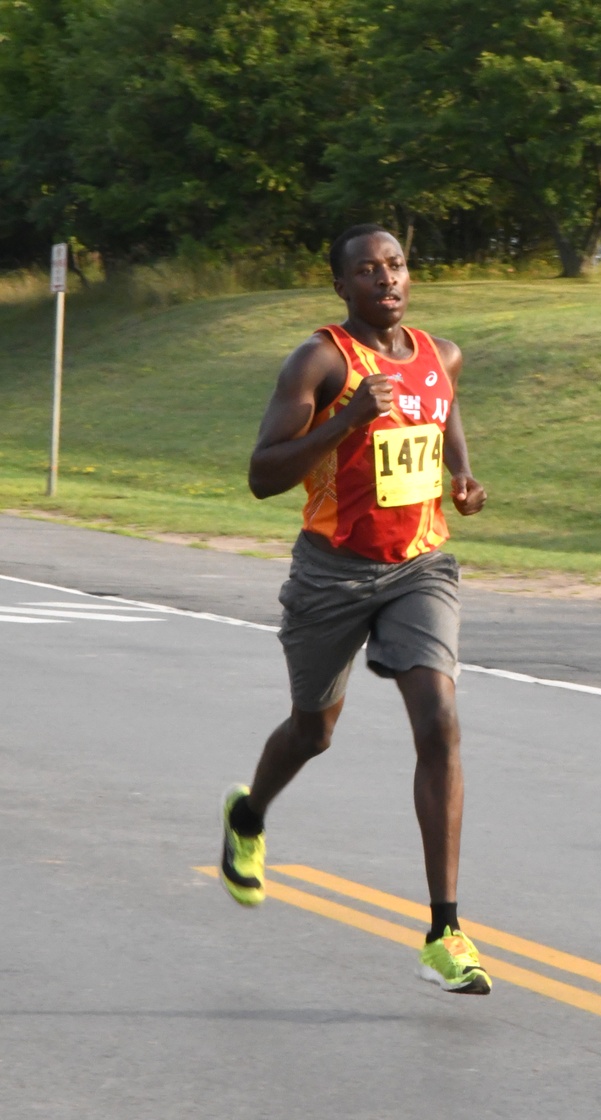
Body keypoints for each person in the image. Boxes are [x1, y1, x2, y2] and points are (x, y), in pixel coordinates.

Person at [219, 224, 491, 995]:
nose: (386, 280)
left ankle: (445, 930)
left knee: (439, 722)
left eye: (396, 266)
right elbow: (262, 476)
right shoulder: (321, 360)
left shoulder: (442, 355)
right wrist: (346, 420)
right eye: (367, 271)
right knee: (314, 731)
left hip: (419, 567)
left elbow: (444, 413)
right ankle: (249, 815)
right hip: (331, 574)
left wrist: (463, 475)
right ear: (342, 287)